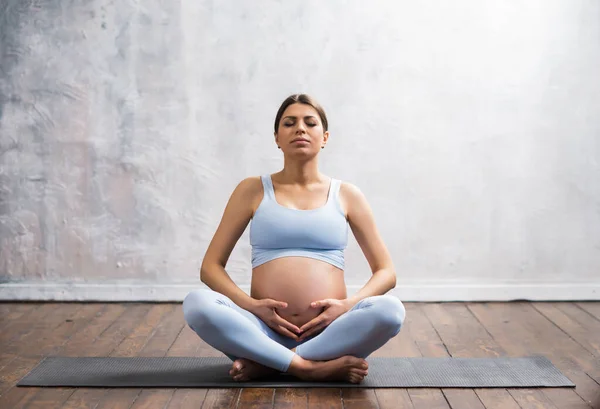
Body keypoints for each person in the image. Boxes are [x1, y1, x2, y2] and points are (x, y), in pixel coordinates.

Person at [183, 94, 406, 384]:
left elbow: (386, 272)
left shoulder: (347, 194)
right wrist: (252, 307)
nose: (299, 128)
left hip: (330, 331)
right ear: (277, 137)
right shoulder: (251, 189)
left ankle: (271, 363)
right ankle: (309, 367)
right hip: (260, 330)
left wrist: (347, 306)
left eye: (309, 123)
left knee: (390, 312)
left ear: (324, 137)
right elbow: (210, 267)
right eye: (289, 123)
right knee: (197, 304)